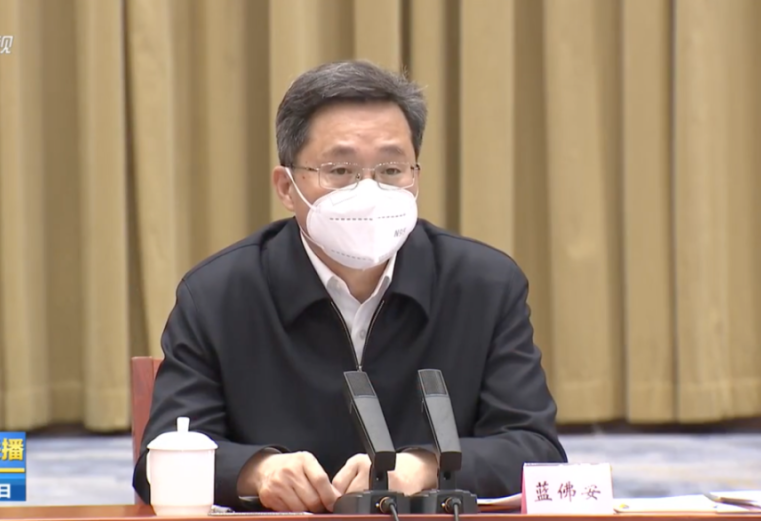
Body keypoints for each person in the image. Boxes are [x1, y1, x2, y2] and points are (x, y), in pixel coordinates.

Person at [132, 59, 567, 513]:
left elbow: (535, 450)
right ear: (286, 187)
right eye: (340, 170)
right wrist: (257, 471)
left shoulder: (484, 286)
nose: (369, 192)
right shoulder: (218, 295)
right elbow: (158, 461)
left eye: (392, 170)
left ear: (416, 177)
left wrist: (426, 467)